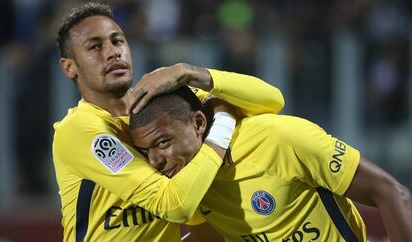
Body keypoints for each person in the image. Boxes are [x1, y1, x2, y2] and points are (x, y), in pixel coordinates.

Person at [52, 2, 285, 242]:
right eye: (95, 46)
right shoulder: (80, 130)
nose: (112, 52)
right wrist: (224, 121)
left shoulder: (158, 107)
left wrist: (190, 73)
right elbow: (174, 205)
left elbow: (271, 101)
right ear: (69, 67)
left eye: (118, 41)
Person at [129, 86, 412, 242]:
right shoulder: (189, 184)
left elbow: (392, 194)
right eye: (145, 151)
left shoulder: (281, 139)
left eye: (163, 143)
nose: (155, 161)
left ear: (199, 123)